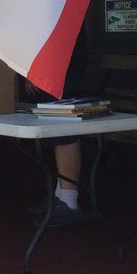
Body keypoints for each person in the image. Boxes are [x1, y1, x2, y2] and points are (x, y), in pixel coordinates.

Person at [22, 31, 89, 219]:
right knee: (54, 131)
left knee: (64, 130)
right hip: (56, 64)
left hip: (62, 67)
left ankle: (69, 201)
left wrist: (37, 69)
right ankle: (60, 197)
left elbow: (53, 32)